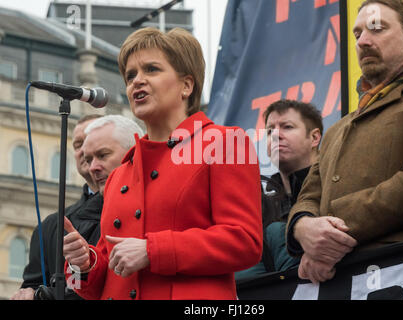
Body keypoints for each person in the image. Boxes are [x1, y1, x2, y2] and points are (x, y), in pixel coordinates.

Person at [63, 27, 263, 300]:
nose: (137, 81)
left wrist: (152, 250)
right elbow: (98, 281)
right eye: (130, 75)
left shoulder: (223, 143)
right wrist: (82, 264)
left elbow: (245, 242)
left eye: (151, 69)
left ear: (186, 85)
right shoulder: (120, 174)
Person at [286, 0, 403, 284]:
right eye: (357, 33)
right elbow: (308, 197)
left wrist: (328, 234)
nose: (363, 41)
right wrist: (303, 229)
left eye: (376, 28)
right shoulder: (338, 128)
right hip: (338, 281)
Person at [11, 114, 102, 300]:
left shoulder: (137, 210)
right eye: (78, 145)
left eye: (93, 140)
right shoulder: (50, 225)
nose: (84, 150)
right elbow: (33, 285)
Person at [235, 99, 322, 280]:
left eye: (287, 127)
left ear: (314, 138)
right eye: (269, 130)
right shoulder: (258, 204)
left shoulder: (336, 183)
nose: (276, 135)